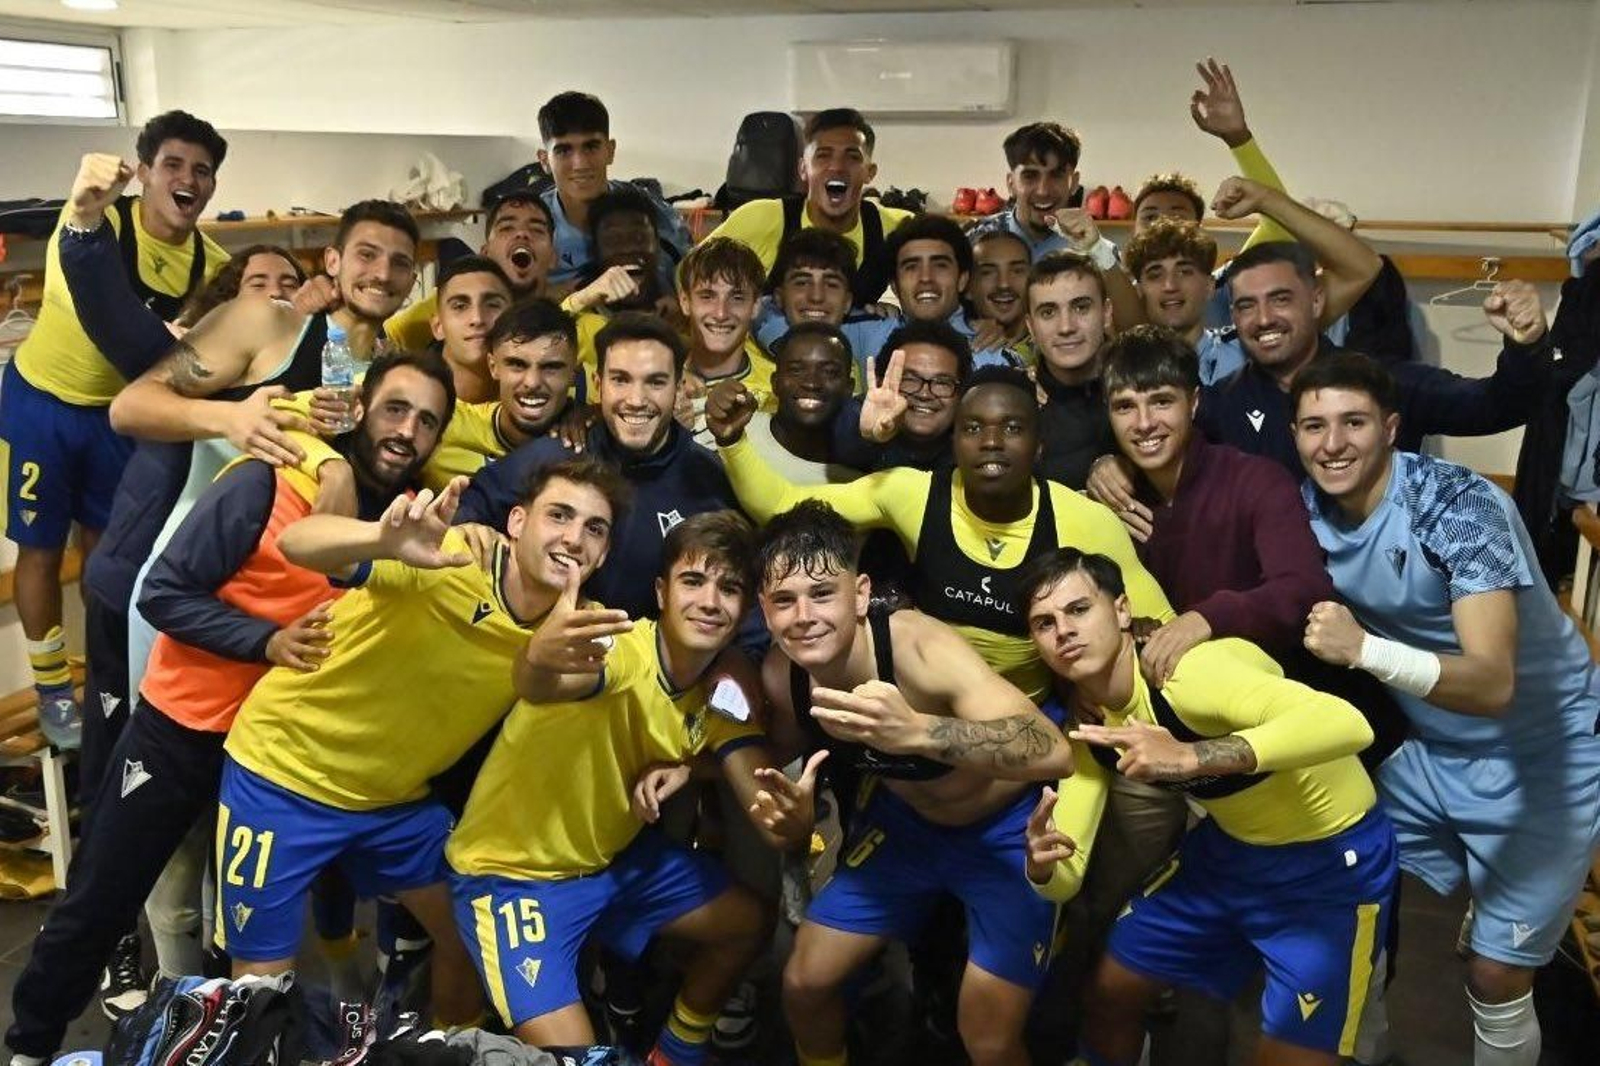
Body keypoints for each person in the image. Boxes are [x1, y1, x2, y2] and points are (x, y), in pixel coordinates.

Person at [4, 352, 452, 1066]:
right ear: (361, 406)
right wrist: (266, 641)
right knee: (104, 899)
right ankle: (30, 1047)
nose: (408, 431)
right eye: (396, 409)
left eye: (428, 421)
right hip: (185, 733)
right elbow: (164, 595)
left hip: (284, 761)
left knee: (240, 931)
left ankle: (220, 1046)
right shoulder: (270, 479)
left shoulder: (415, 521)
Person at [212, 458, 626, 1025]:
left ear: (603, 555)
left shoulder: (587, 628)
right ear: (516, 522)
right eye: (559, 515)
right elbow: (297, 541)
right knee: (259, 986)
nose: (574, 538)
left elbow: (611, 689)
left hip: (391, 801)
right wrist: (381, 539)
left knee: (465, 937)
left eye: (594, 529)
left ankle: (441, 1049)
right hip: (284, 772)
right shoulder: (450, 556)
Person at [1295, 353, 1600, 1066]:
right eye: (1314, 425)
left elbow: (1494, 683)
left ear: (1392, 429)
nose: (1332, 442)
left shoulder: (1456, 504)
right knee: (1340, 908)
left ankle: (1507, 931)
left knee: (1495, 974)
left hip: (1542, 751)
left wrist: (1365, 650)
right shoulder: (1304, 507)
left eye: (1353, 423)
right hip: (1426, 754)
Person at [448, 511, 816, 1063]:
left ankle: (672, 1053)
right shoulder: (621, 649)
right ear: (661, 592)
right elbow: (549, 681)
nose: (711, 601)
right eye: (694, 581)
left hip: (612, 865)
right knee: (581, 1057)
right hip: (513, 879)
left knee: (748, 921)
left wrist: (790, 820)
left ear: (745, 611)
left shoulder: (720, 692)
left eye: (730, 588)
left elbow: (764, 800)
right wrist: (537, 662)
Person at [1020, 548, 1394, 1066]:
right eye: (1045, 622)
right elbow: (1068, 872)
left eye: (1079, 609)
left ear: (1123, 611)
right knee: (1111, 990)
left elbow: (1350, 724)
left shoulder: (1189, 672)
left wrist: (1191, 756)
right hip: (1230, 855)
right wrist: (1043, 867)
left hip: (1327, 864)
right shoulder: (1092, 723)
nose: (1063, 630)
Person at [753, 501, 1076, 1066]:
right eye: (783, 600)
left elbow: (1052, 750)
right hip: (907, 833)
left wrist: (921, 731)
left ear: (859, 594)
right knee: (804, 981)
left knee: (988, 1037)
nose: (803, 616)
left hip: (1005, 834)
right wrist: (791, 820)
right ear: (764, 609)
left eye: (823, 594)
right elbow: (781, 764)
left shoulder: (916, 646)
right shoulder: (784, 679)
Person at [109, 199, 421, 706]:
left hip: (299, 608)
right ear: (333, 261)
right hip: (196, 586)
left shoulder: (392, 370)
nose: (383, 273)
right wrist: (230, 418)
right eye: (367, 254)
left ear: (412, 281)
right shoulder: (266, 323)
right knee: (170, 769)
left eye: (401, 263)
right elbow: (130, 407)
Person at [710, 363, 1172, 699]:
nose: (991, 442)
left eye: (1011, 428)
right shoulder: (913, 494)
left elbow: (1159, 627)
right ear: (954, 442)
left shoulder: (1085, 521)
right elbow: (781, 505)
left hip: (1026, 717)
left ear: (1039, 445)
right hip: (924, 706)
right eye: (973, 428)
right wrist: (732, 439)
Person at [0, 116, 229, 748]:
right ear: (146, 170)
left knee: (110, 555)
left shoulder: (212, 264)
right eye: (174, 164)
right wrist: (175, 345)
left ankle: (106, 677)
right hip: (41, 404)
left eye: (202, 171)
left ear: (211, 187)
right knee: (40, 550)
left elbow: (236, 331)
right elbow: (103, 318)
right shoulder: (91, 218)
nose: (188, 179)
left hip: (120, 420)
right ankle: (51, 688)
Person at [1089, 241, 1551, 525]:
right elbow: (1160, 444)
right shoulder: (1220, 404)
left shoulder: (1379, 380)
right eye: (1246, 305)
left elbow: (1497, 406)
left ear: (1315, 300)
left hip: (1385, 607)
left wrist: (1526, 346)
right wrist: (1114, 464)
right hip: (1276, 608)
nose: (1264, 318)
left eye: (1280, 299)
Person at [454, 313, 739, 622]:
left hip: (638, 661)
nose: (636, 400)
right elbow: (469, 505)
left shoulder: (706, 476)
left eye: (655, 382)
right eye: (621, 380)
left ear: (679, 387)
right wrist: (471, 531)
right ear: (598, 384)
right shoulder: (557, 452)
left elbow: (735, 580)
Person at [1121, 178, 1383, 385]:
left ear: (1210, 286)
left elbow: (1362, 268)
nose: (1170, 285)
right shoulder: (1121, 361)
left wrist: (1266, 200)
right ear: (1138, 288)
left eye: (1185, 271)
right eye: (1155, 274)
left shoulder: (1253, 342)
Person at [707, 108, 913, 307]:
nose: (837, 166)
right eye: (823, 155)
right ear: (803, 169)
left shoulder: (897, 229)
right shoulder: (760, 219)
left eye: (852, 156)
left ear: (870, 172)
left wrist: (895, 317)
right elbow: (688, 279)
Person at [535, 90, 691, 294]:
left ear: (610, 150)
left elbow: (695, 276)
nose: (580, 164)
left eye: (591, 147)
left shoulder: (649, 211)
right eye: (564, 151)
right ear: (544, 160)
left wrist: (678, 304)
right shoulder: (532, 223)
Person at [421, 297, 580, 487]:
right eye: (517, 364)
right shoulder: (442, 426)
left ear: (574, 374)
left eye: (551, 367)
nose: (532, 382)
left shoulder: (590, 437)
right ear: (493, 366)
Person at [386, 192, 557, 351]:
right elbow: (385, 342)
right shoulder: (446, 303)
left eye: (536, 230)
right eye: (507, 228)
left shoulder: (571, 319)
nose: (522, 234)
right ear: (485, 253)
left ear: (553, 257)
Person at [750, 228, 892, 384]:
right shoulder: (753, 330)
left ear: (847, 302)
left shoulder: (874, 338)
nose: (816, 296)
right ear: (779, 297)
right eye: (802, 283)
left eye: (831, 284)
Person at [1025, 252, 1116, 489]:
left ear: (1106, 313)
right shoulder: (1015, 402)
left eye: (1081, 307)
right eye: (1048, 312)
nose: (1066, 327)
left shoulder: (1141, 389)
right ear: (1031, 327)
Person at [675, 237, 777, 446]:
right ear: (685, 302)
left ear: (756, 305)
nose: (721, 313)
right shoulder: (654, 379)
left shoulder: (776, 391)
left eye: (737, 297)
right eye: (707, 296)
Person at [734, 321, 859, 485]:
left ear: (848, 388)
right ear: (775, 382)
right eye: (796, 370)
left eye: (829, 372)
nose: (811, 383)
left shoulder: (866, 472)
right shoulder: (736, 436)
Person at [974, 121, 1084, 260]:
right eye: (1030, 176)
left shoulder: (1096, 251)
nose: (1043, 191)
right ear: (1011, 183)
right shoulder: (976, 241)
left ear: (1074, 183)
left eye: (1056, 175)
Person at [422, 254, 515, 403]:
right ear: (438, 327)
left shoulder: (546, 401)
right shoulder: (406, 398)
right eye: (460, 306)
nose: (477, 319)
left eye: (492, 305)